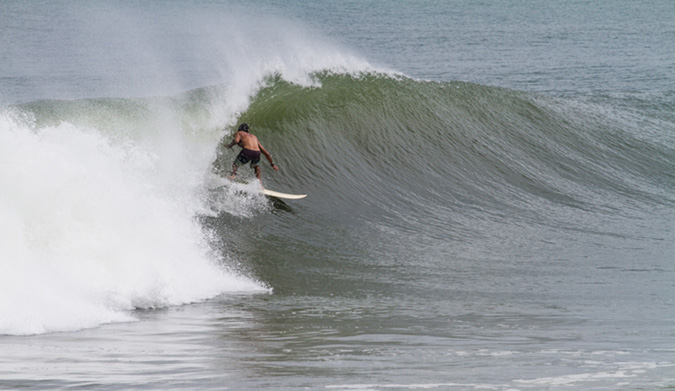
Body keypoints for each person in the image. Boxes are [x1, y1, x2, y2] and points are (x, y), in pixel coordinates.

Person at [225, 123, 279, 187]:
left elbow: (236, 141)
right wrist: (272, 164)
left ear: (240, 128)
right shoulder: (254, 137)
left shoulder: (239, 133)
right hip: (257, 153)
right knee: (256, 167)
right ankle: (260, 184)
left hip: (247, 151)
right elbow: (265, 152)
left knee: (235, 164)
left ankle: (233, 175)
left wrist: (229, 145)